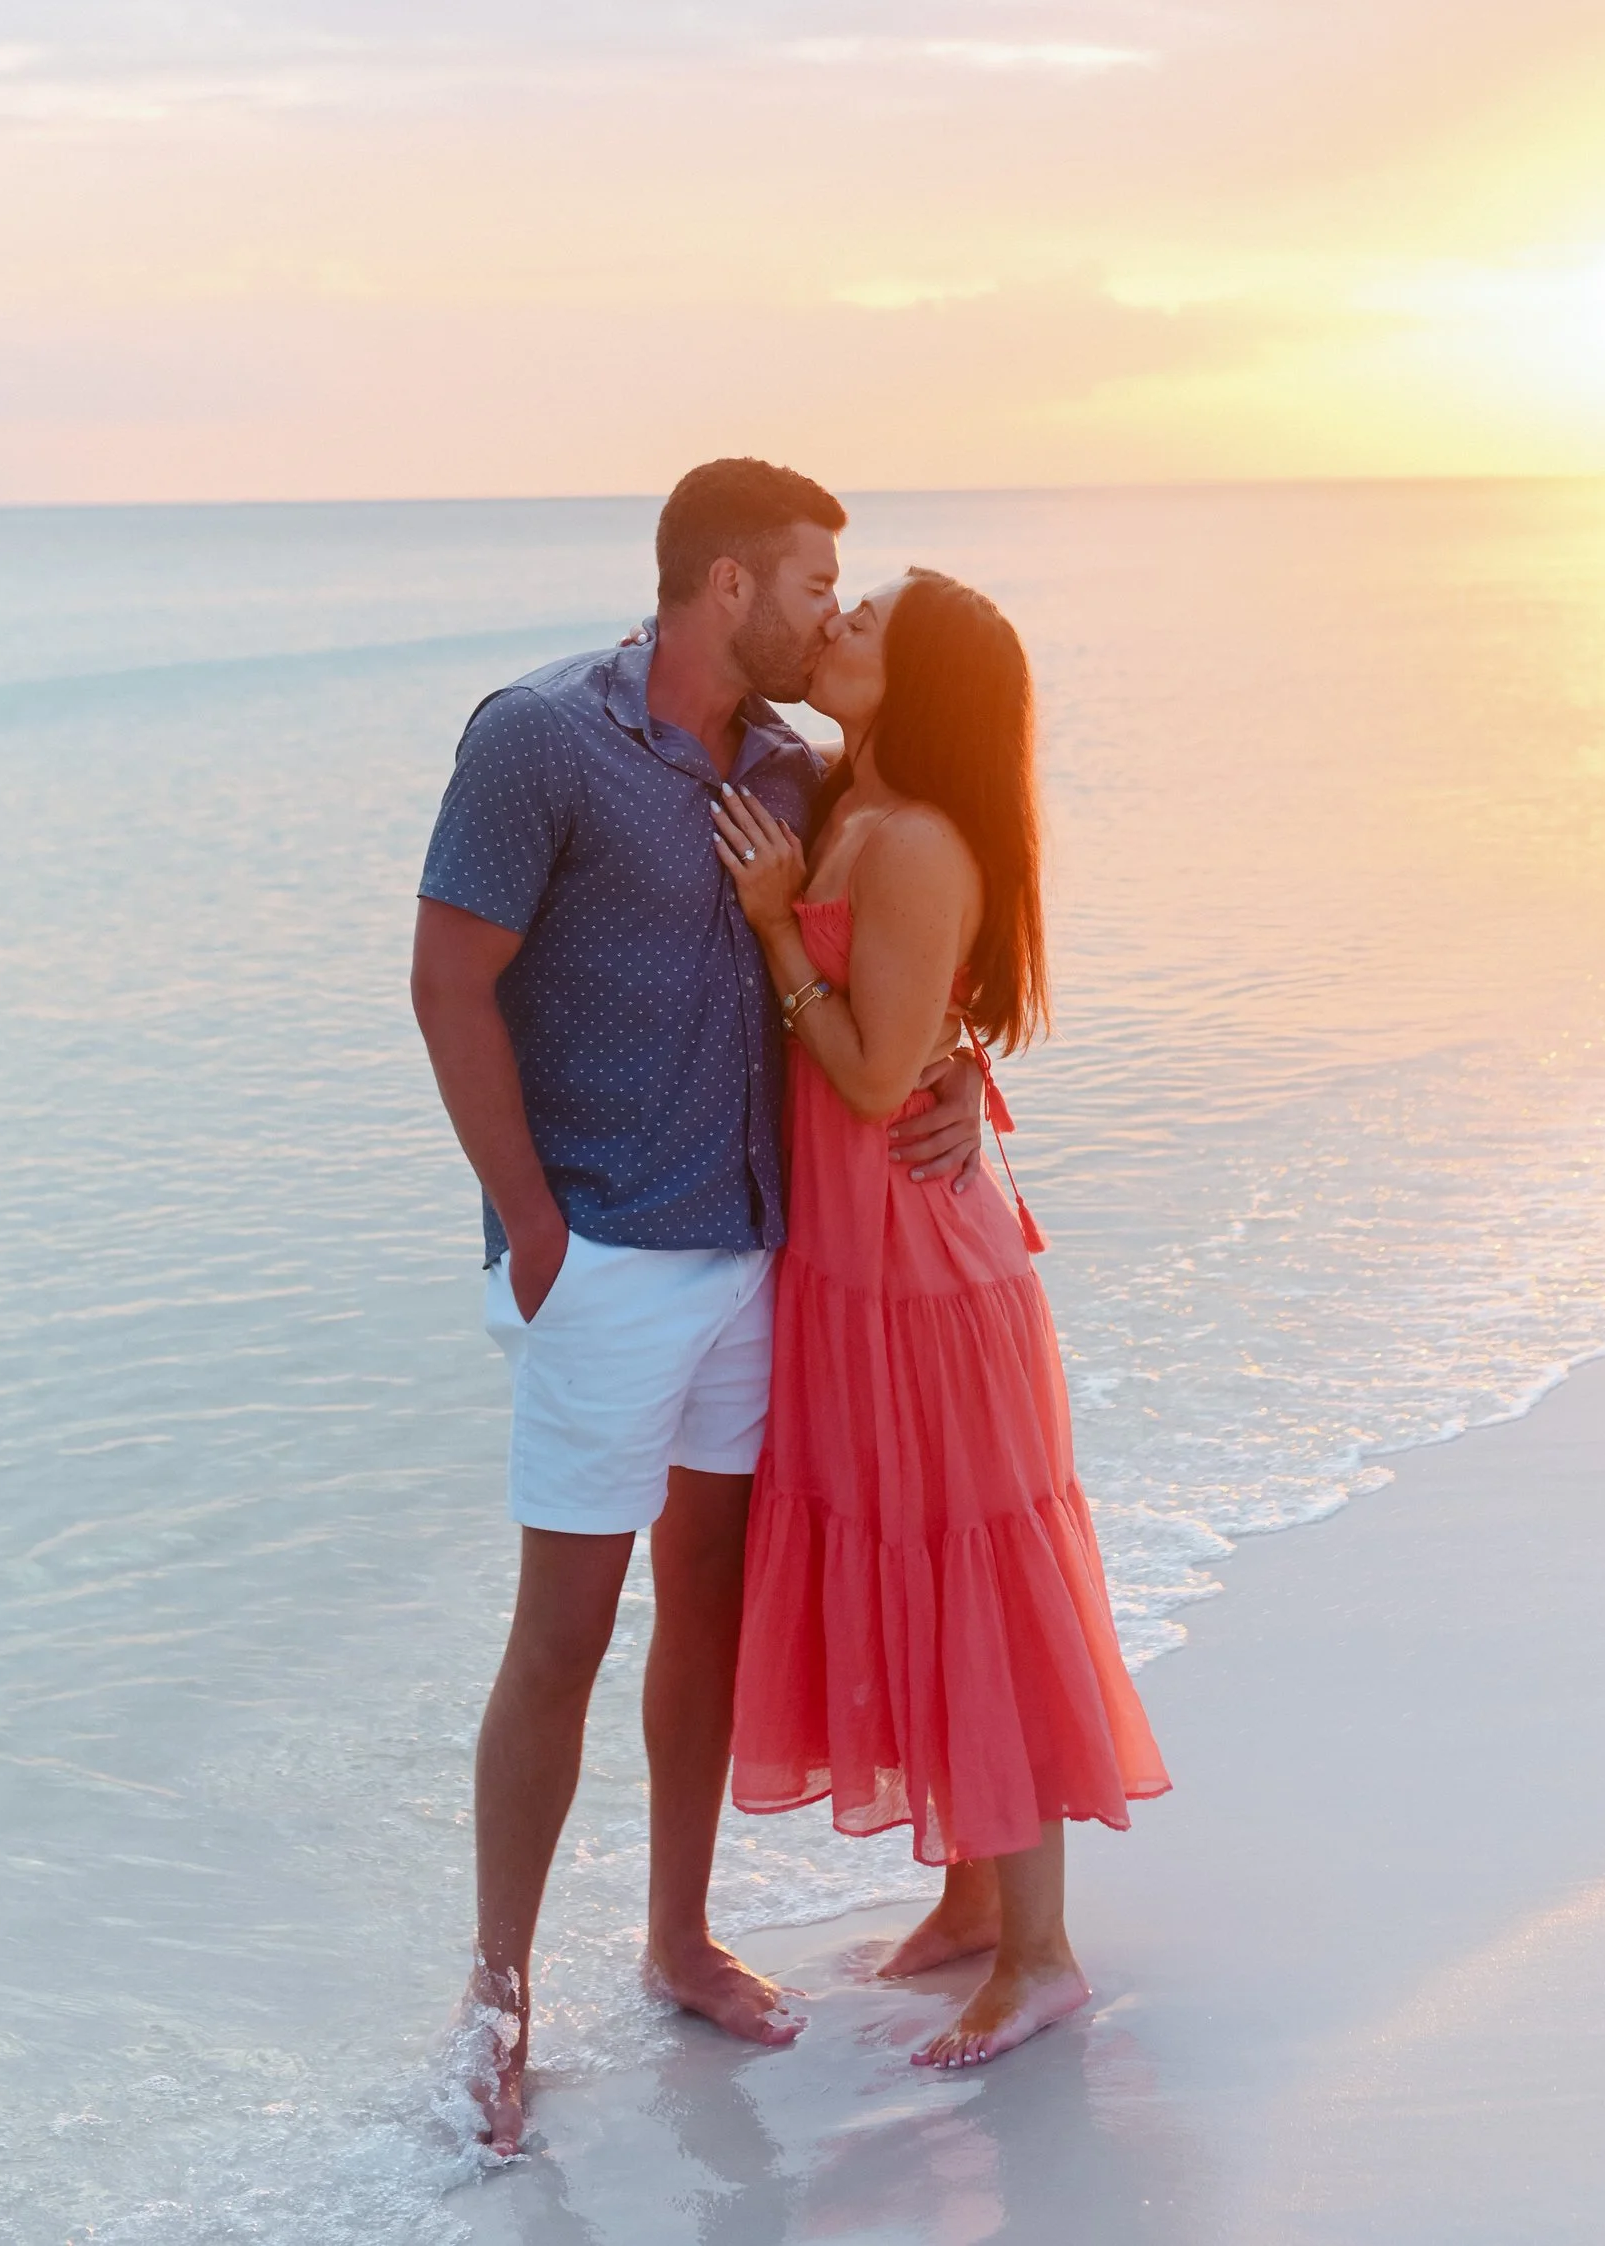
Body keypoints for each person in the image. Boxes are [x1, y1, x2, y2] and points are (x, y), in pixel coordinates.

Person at [409, 461, 989, 2156]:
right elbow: (449, 978)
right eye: (819, 579)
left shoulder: (794, 768)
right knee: (565, 1630)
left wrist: (963, 1075)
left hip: (757, 1253)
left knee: (709, 1602)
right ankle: (497, 1999)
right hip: (603, 1259)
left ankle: (676, 1935)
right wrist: (531, 1225)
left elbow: (906, 954)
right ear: (725, 584)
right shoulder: (538, 737)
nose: (836, 607)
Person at [713, 566, 1169, 2068]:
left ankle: (1040, 1954)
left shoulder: (907, 840)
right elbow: (923, 1040)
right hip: (862, 1273)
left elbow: (861, 1070)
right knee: (908, 1558)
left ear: (916, 684)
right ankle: (974, 1898)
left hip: (930, 1283)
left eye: (865, 624)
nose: (835, 629)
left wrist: (779, 929)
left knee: (979, 1579)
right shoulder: (847, 793)